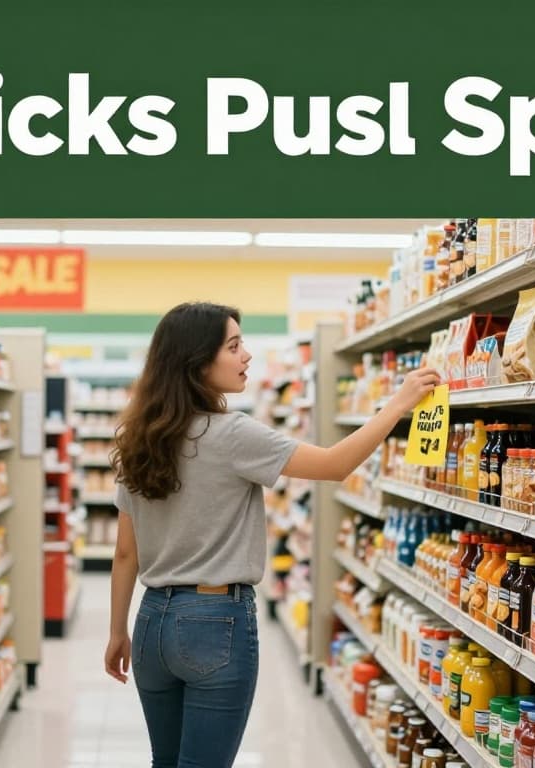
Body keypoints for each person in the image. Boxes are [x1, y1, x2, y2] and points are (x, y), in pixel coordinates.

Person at [103, 302, 440, 768]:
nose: (247, 357)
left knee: (165, 761)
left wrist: (117, 630)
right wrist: (397, 405)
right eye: (234, 346)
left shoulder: (138, 438)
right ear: (198, 361)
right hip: (215, 619)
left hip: (150, 623)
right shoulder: (232, 433)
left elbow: (125, 553)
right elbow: (334, 464)